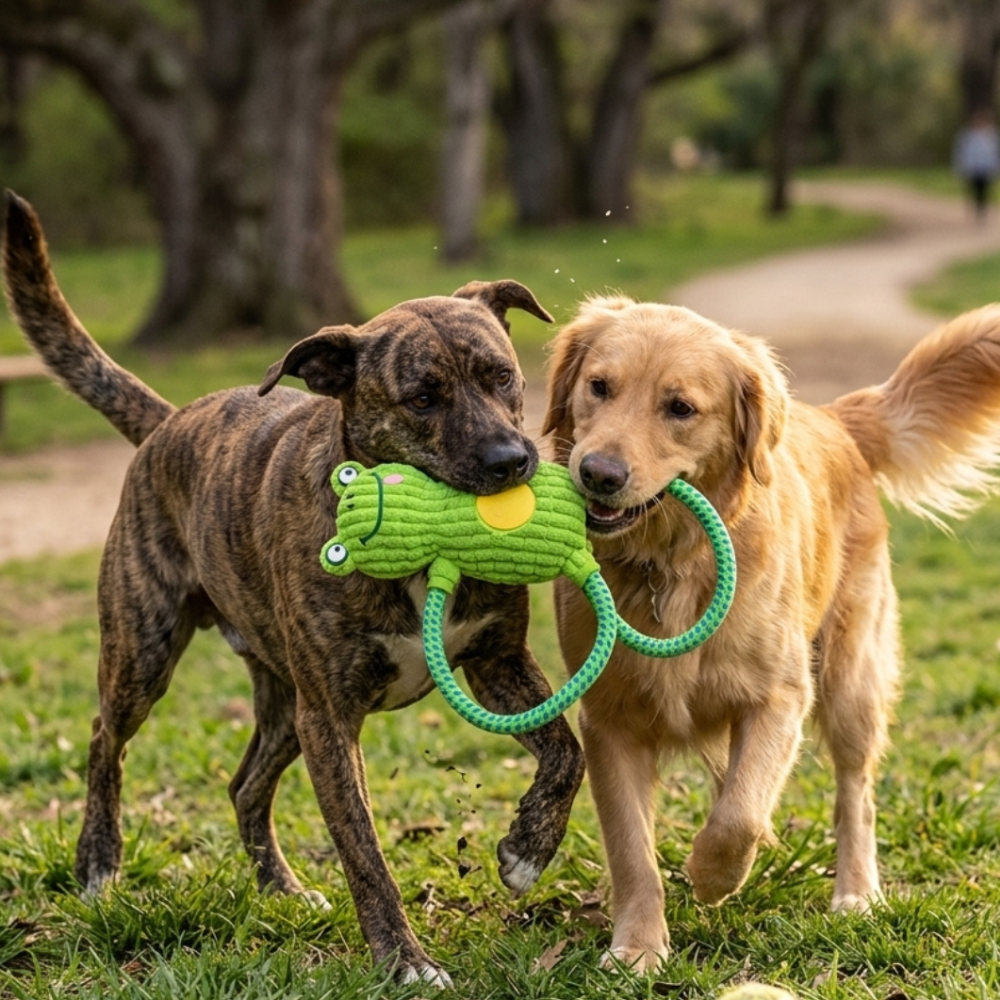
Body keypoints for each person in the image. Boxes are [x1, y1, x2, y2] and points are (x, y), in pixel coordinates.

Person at [953, 109, 1000, 222]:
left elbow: (996, 153)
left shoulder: (992, 135)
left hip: (986, 168)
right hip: (972, 168)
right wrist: (960, 167)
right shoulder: (967, 135)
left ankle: (982, 212)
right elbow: (961, 152)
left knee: (984, 191)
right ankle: (975, 211)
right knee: (973, 191)